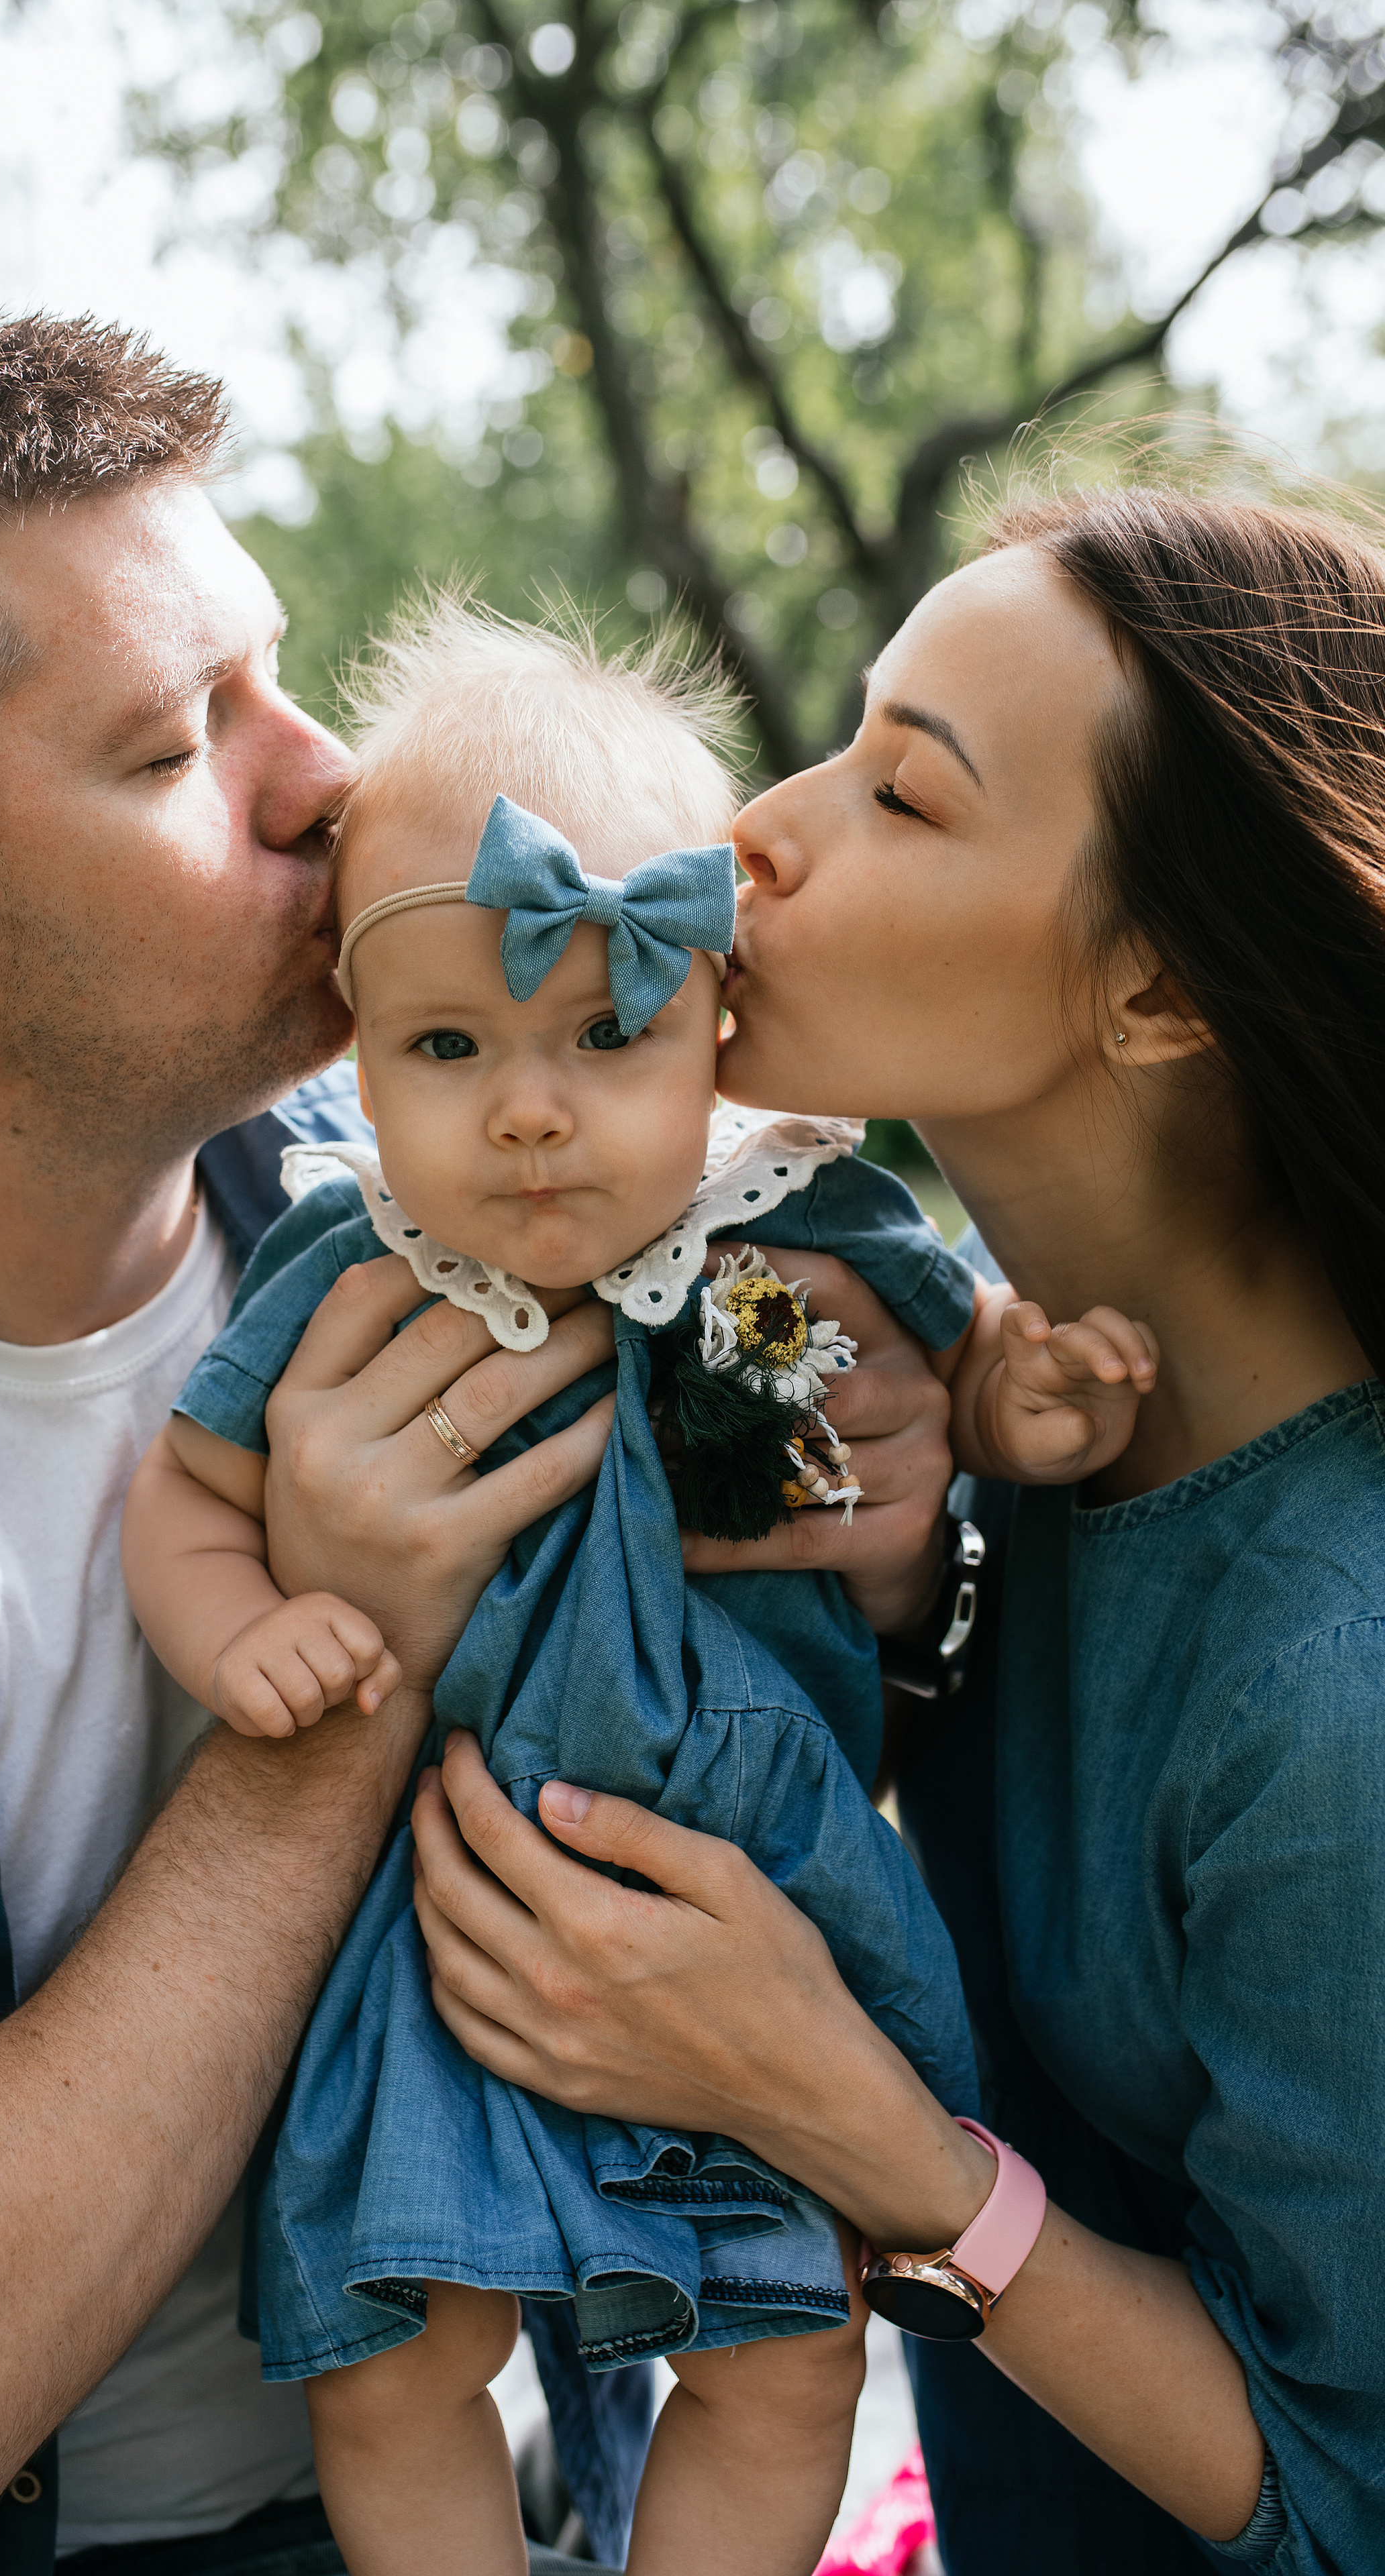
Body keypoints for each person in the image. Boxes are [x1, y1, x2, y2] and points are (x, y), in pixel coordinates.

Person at [0, 312, 956, 2576]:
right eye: (180, 740)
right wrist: (349, 1669)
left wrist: (907, 1531)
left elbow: (840, 1622)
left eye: (281, 680)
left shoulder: (503, 1202)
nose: (327, 776)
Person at [403, 482, 1385, 2575]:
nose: (758, 829)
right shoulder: (977, 1392)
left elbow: (1342, 2503)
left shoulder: (1339, 1691)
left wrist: (848, 2123)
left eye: (904, 794)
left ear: (1159, 990)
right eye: (838, 741)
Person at [121, 598, 1155, 2576]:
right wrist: (244, 1630)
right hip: (456, 1901)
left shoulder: (797, 1222)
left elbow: (945, 1381)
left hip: (764, 1893)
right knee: (398, 2364)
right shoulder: (352, 1265)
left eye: (609, 1034)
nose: (530, 1108)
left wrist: (1019, 1410)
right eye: (449, 1046)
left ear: (716, 1025)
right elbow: (191, 1491)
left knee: (789, 2363)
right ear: (357, 1049)